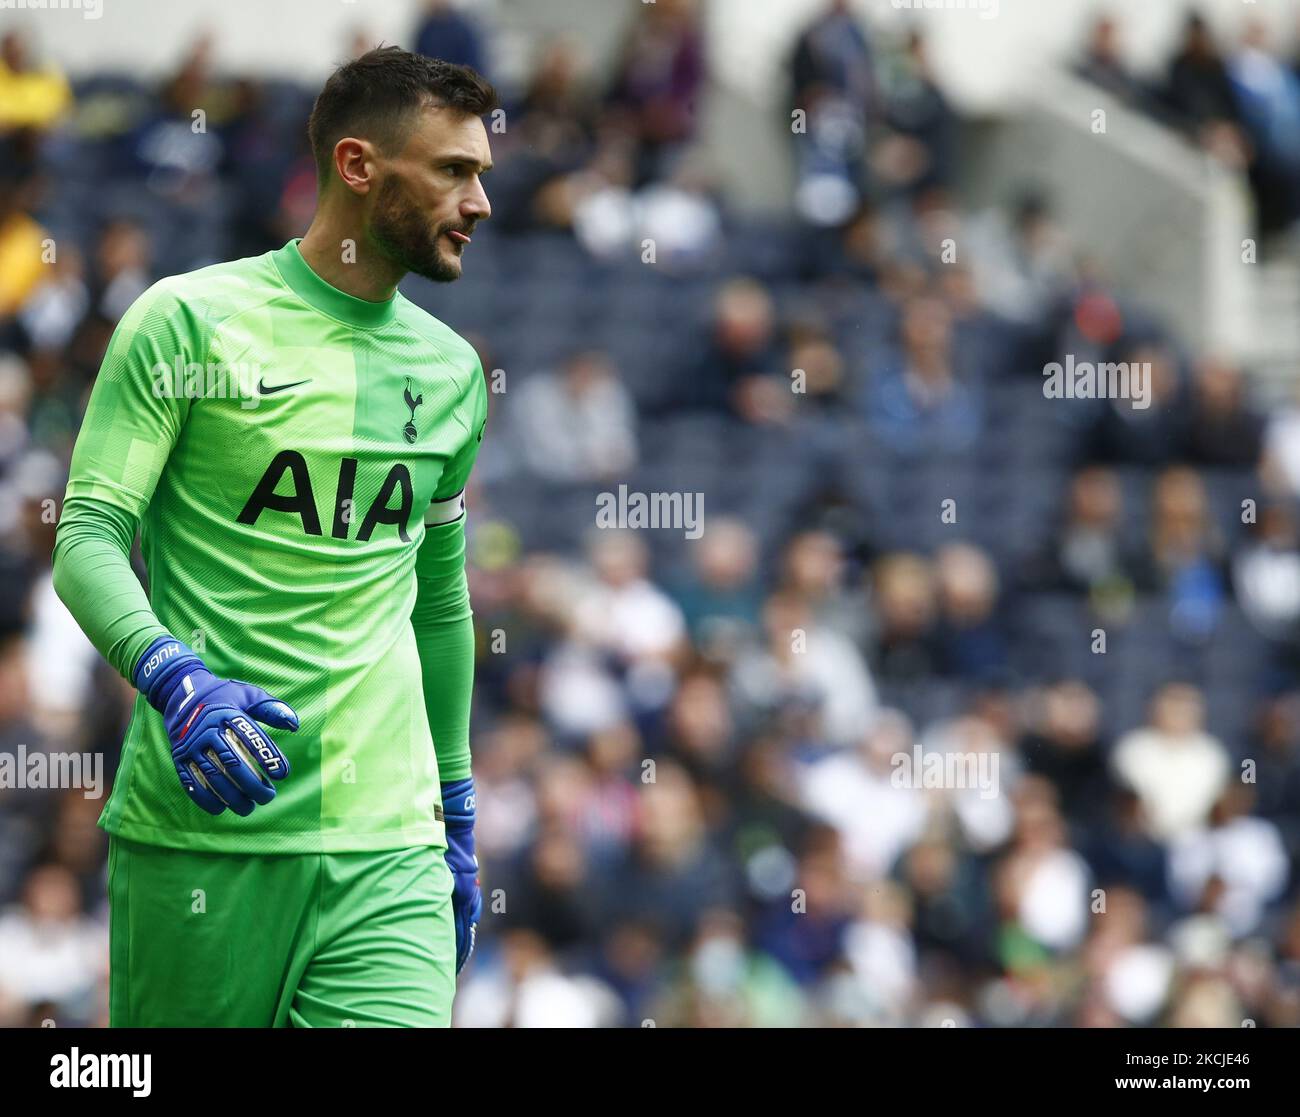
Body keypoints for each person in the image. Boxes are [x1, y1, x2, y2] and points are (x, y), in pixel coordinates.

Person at [51, 47, 496, 1027]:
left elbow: (438, 601)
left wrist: (455, 805)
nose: (479, 203)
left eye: (483, 176)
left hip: (390, 843)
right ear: (357, 164)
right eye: (454, 172)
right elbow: (85, 536)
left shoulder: (454, 372)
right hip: (205, 828)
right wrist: (173, 677)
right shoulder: (188, 324)